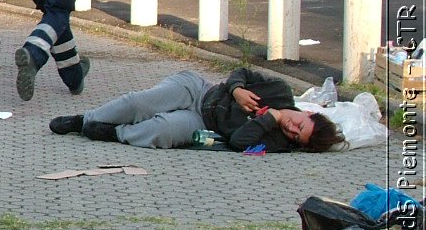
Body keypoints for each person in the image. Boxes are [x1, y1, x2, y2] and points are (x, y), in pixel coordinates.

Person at [49, 66, 344, 152]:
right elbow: (241, 72)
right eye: (299, 126)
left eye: (296, 137)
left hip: (203, 124)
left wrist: (270, 118)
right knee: (138, 103)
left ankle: (113, 133)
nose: (292, 130)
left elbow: (239, 142)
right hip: (200, 90)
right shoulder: (279, 90)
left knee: (162, 130)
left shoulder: (276, 139)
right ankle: (82, 120)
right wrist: (237, 90)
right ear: (308, 114)